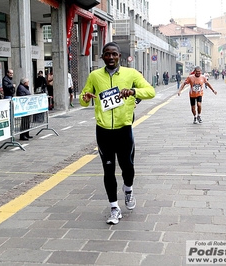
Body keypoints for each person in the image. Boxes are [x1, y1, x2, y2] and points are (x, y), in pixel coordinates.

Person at [79, 42, 155, 225]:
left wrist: (133, 91)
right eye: (107, 54)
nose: (111, 57)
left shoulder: (131, 74)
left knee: (127, 166)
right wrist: (85, 98)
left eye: (114, 54)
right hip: (103, 131)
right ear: (102, 57)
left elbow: (150, 92)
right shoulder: (95, 76)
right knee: (108, 169)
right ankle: (114, 207)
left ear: (119, 56)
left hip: (123, 129)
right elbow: (83, 99)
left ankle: (128, 189)